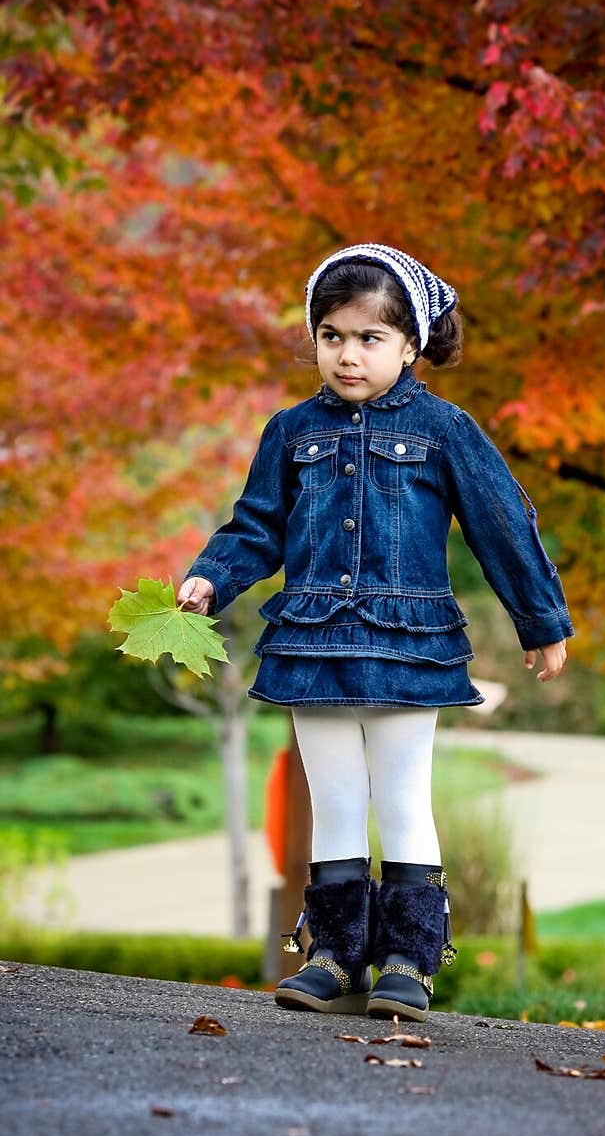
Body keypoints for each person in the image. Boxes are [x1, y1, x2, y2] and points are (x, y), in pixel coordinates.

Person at [177, 242, 574, 1023]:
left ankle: (408, 961)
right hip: (312, 645)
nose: (348, 355)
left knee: (400, 798)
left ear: (411, 344)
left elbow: (502, 523)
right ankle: (332, 954)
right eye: (332, 335)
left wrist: (542, 621)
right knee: (332, 799)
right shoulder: (291, 432)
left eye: (370, 338)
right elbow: (257, 527)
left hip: (407, 644)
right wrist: (211, 576)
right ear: (314, 338)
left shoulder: (443, 428)